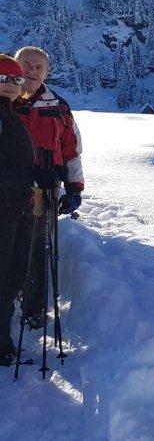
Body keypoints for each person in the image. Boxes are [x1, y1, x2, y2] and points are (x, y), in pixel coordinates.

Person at [13, 46, 84, 330]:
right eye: (26, 65)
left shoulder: (58, 106)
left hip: (46, 190)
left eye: (38, 67)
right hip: (8, 188)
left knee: (39, 251)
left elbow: (72, 151)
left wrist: (74, 187)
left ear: (47, 72)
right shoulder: (6, 99)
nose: (31, 71)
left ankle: (33, 310)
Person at [0, 55, 37, 365]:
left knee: (12, 275)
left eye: (16, 79)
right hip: (4, 209)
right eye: (3, 78)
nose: (11, 85)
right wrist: (32, 176)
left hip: (14, 207)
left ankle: (2, 341)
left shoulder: (8, 114)